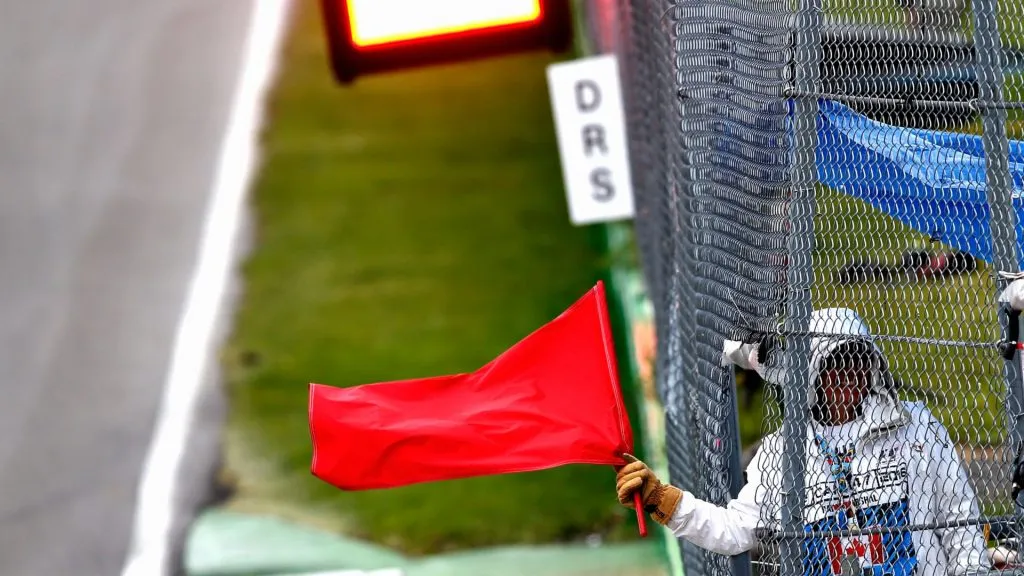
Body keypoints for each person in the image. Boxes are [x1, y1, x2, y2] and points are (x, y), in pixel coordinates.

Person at [616, 308, 991, 575]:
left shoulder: (914, 423)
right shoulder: (781, 452)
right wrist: (663, 500)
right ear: (812, 374)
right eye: (836, 365)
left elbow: (958, 515)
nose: (851, 375)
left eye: (860, 361)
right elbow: (736, 530)